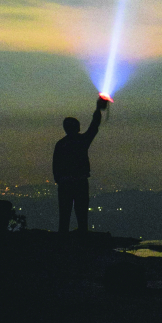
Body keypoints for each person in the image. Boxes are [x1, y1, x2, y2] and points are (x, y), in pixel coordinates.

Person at [53, 96, 108, 234]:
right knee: (82, 213)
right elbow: (94, 126)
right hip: (79, 182)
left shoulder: (60, 144)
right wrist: (97, 109)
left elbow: (55, 166)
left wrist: (60, 180)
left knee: (64, 215)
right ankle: (82, 239)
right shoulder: (81, 141)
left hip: (65, 184)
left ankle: (63, 240)